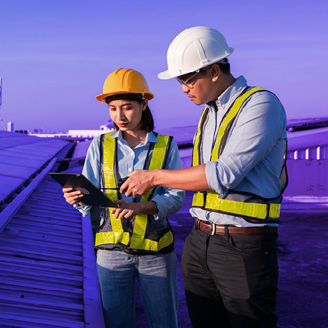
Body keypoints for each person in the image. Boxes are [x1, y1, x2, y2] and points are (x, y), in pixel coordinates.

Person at [120, 27, 288, 328]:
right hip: (200, 242)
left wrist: (154, 177)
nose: (183, 88)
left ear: (213, 71)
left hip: (243, 246)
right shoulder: (209, 112)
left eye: (187, 79)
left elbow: (223, 174)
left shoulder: (261, 105)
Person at [63, 68, 185, 328]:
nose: (119, 116)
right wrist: (77, 199)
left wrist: (140, 207)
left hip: (156, 252)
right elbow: (90, 196)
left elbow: (175, 198)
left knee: (164, 322)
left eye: (127, 107)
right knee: (116, 323)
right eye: (113, 108)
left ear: (144, 103)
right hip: (110, 253)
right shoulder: (100, 145)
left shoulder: (166, 145)